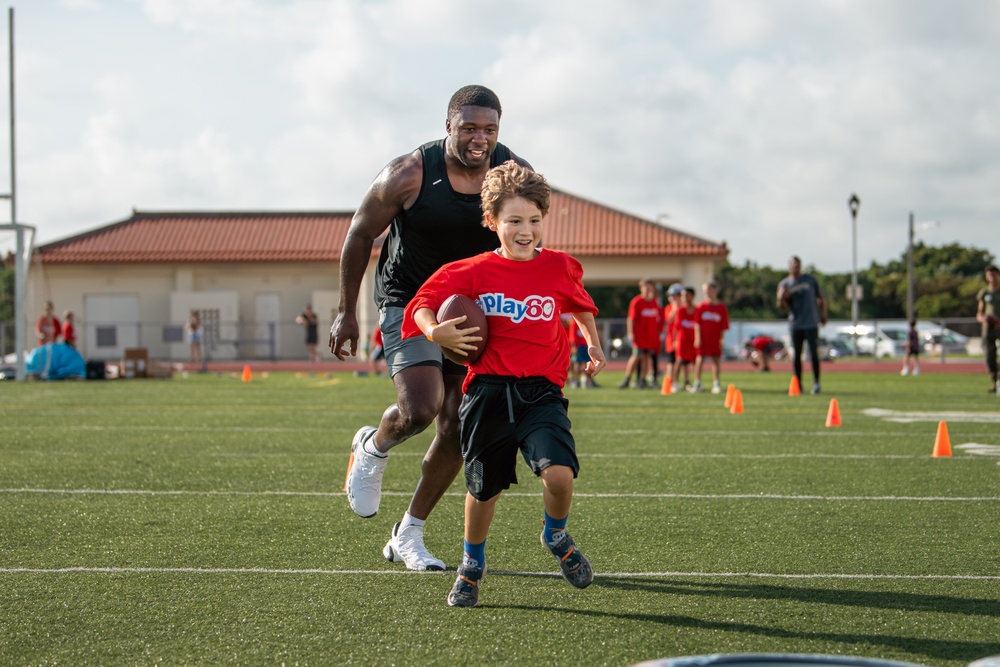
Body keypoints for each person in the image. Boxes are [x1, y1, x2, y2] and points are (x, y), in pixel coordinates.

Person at [330, 85, 530, 571]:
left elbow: (526, 235)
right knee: (421, 408)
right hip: (408, 299)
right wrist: (345, 309)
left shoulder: (511, 174)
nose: (479, 138)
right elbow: (359, 232)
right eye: (469, 127)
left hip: (469, 307)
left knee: (460, 425)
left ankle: (409, 533)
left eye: (489, 128)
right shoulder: (410, 173)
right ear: (448, 126)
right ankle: (373, 446)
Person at [401, 161, 605, 607]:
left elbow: (581, 305)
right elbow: (422, 302)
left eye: (534, 220)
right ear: (492, 222)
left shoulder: (559, 267)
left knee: (559, 474)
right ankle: (472, 564)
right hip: (488, 392)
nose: (526, 230)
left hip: (542, 392)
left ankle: (555, 535)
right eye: (514, 220)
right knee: (483, 488)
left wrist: (592, 343)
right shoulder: (470, 271)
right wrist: (434, 331)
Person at [777, 256, 828, 395]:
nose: (795, 267)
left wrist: (824, 314)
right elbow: (780, 306)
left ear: (801, 266)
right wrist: (783, 297)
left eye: (797, 265)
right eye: (793, 265)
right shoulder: (785, 283)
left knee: (813, 354)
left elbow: (821, 298)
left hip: (811, 322)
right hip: (796, 324)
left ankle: (816, 383)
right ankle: (798, 384)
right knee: (797, 355)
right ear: (789, 266)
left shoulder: (810, 280)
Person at [618, 279, 662, 389]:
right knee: (636, 355)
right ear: (641, 288)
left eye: (650, 287)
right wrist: (630, 333)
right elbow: (631, 319)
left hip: (650, 336)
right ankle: (627, 378)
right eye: (646, 287)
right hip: (639, 336)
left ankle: (643, 379)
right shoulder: (637, 301)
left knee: (646, 357)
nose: (648, 290)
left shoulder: (654, 303)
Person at [694, 281, 729, 393]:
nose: (707, 293)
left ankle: (716, 383)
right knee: (700, 359)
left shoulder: (721, 307)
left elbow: (724, 326)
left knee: (715, 360)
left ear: (715, 291)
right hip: (703, 338)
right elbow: (697, 324)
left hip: (715, 339)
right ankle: (697, 382)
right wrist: (697, 338)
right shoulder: (701, 307)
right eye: (705, 291)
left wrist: (721, 340)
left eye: (709, 290)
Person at [976, 264, 1000, 393]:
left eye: (994, 274)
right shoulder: (984, 292)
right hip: (988, 328)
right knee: (989, 355)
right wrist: (983, 319)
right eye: (989, 275)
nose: (992, 278)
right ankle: (994, 382)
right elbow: (979, 313)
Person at [671, 287, 699, 392]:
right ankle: (674, 382)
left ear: (692, 296)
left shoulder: (697, 310)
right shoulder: (681, 310)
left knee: (693, 362)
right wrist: (674, 340)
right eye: (683, 295)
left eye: (686, 295)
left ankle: (690, 382)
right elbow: (675, 327)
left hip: (693, 340)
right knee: (679, 360)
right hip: (682, 340)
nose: (684, 298)